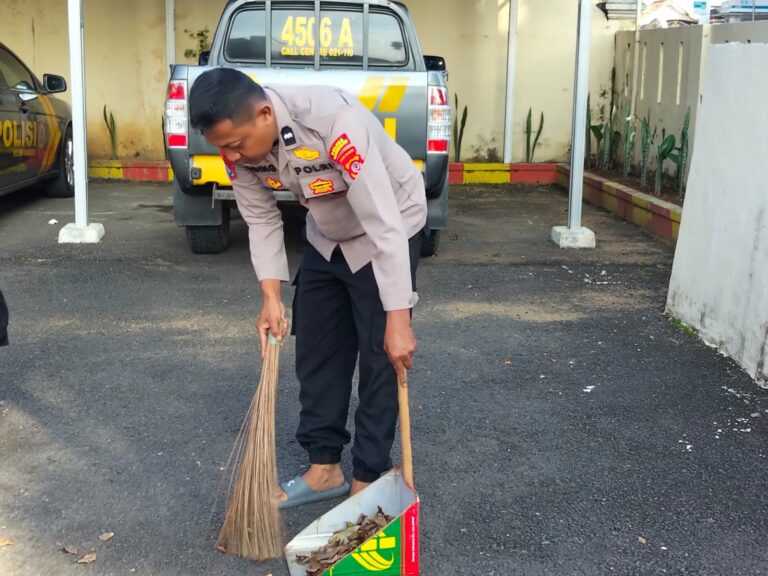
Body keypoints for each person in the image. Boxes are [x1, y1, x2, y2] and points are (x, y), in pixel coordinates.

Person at [188, 68, 427, 508]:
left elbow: (384, 222)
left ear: (264, 114)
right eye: (223, 148)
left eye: (236, 145)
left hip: (390, 225)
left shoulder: (333, 123)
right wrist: (271, 297)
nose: (231, 157)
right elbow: (260, 218)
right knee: (317, 349)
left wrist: (398, 319)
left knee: (380, 357)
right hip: (327, 231)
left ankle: (367, 478)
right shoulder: (236, 150)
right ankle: (324, 469)